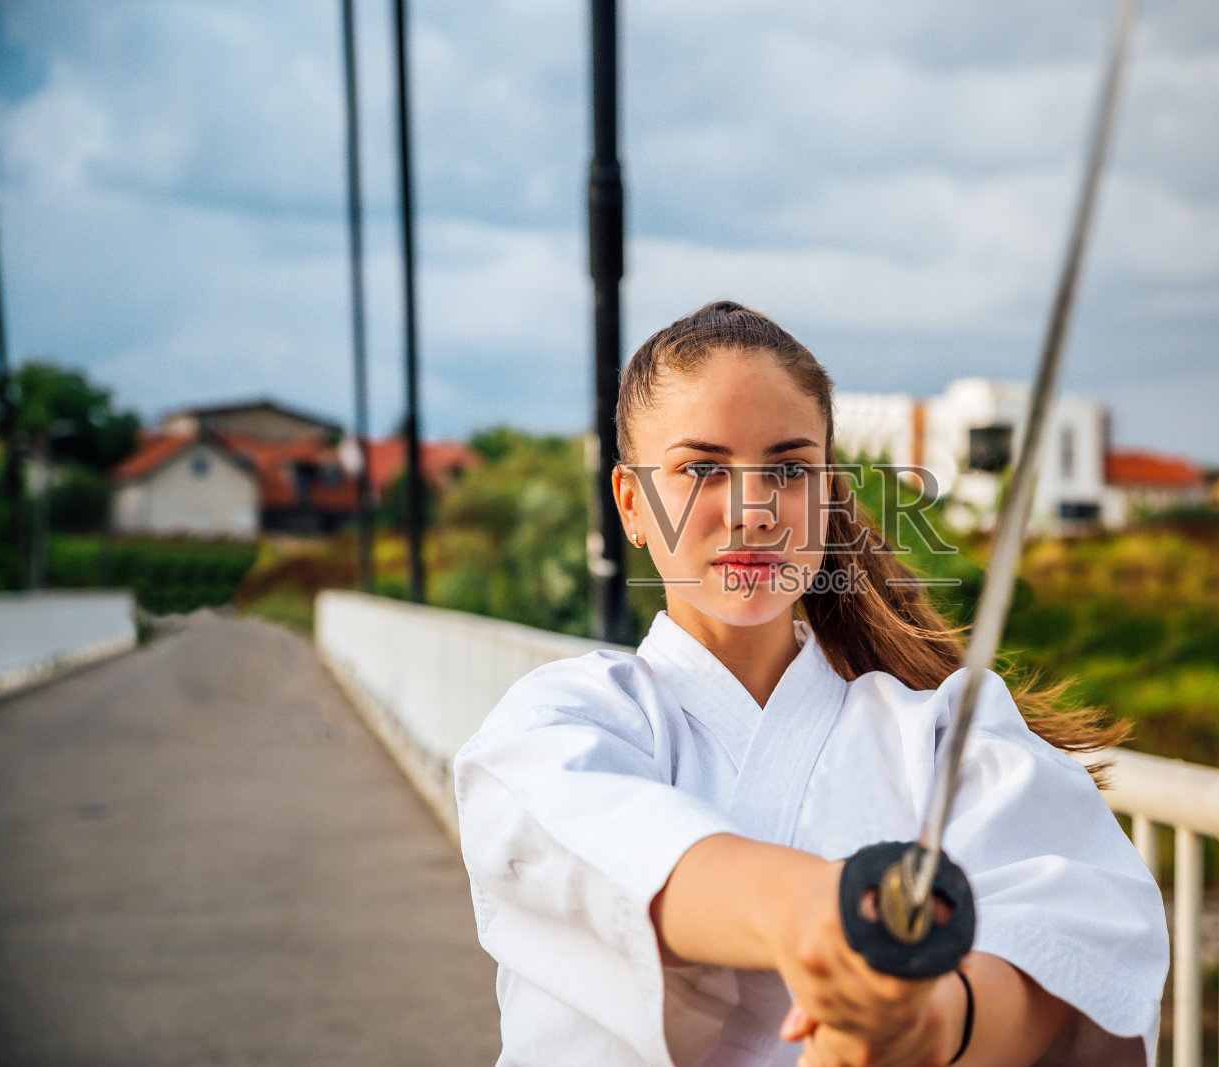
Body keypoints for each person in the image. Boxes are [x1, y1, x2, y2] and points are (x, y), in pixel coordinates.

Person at [454, 301, 1169, 1067]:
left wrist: (932, 1021)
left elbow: (1075, 925)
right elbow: (598, 844)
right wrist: (814, 914)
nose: (753, 511)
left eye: (789, 469)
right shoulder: (564, 718)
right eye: (702, 469)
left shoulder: (941, 731)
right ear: (632, 503)